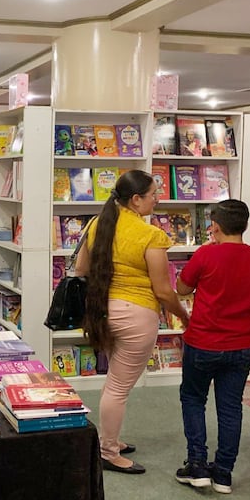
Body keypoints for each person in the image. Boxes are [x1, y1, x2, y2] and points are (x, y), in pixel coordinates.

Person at [75, 169, 189, 475]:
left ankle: (109, 439)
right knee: (118, 387)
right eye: (153, 194)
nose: (158, 200)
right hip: (136, 315)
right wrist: (184, 315)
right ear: (136, 200)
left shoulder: (99, 223)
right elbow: (164, 291)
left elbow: (81, 267)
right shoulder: (150, 235)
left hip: (103, 311)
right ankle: (108, 452)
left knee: (114, 381)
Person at [174, 199, 250, 493]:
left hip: (202, 341)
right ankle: (223, 473)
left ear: (215, 226)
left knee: (193, 398)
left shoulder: (205, 254)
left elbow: (182, 289)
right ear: (246, 226)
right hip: (242, 346)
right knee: (230, 407)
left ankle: (197, 464)